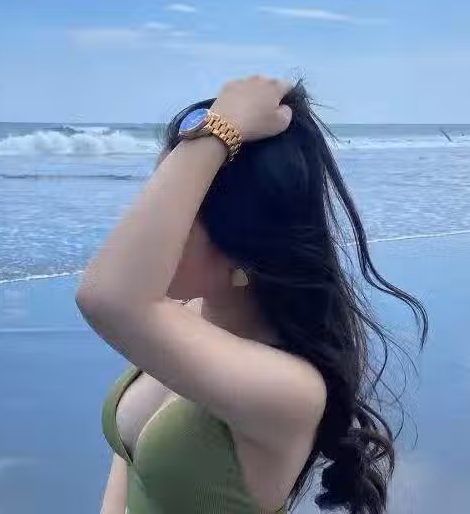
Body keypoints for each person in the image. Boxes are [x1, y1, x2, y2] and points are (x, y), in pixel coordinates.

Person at [77, 77, 427, 514]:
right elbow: (127, 470)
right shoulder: (181, 314)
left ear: (242, 244)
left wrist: (222, 127)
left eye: (179, 206)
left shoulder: (291, 388)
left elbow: (107, 298)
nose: (150, 227)